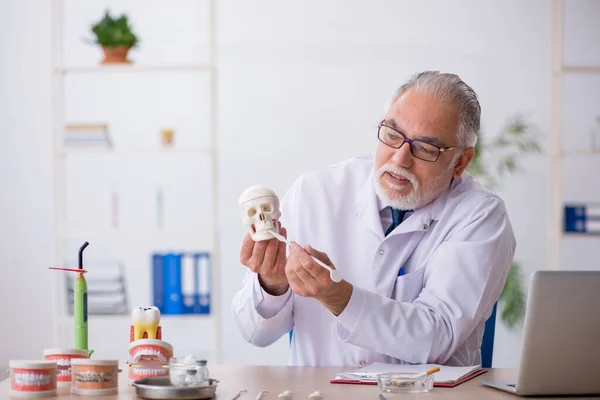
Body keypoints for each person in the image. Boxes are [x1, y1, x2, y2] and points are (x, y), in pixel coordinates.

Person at [231, 71, 516, 367]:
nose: (400, 159)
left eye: (425, 149)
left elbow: (437, 340)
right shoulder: (315, 193)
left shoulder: (480, 216)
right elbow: (254, 332)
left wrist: (340, 297)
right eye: (392, 136)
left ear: (460, 162)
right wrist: (272, 284)